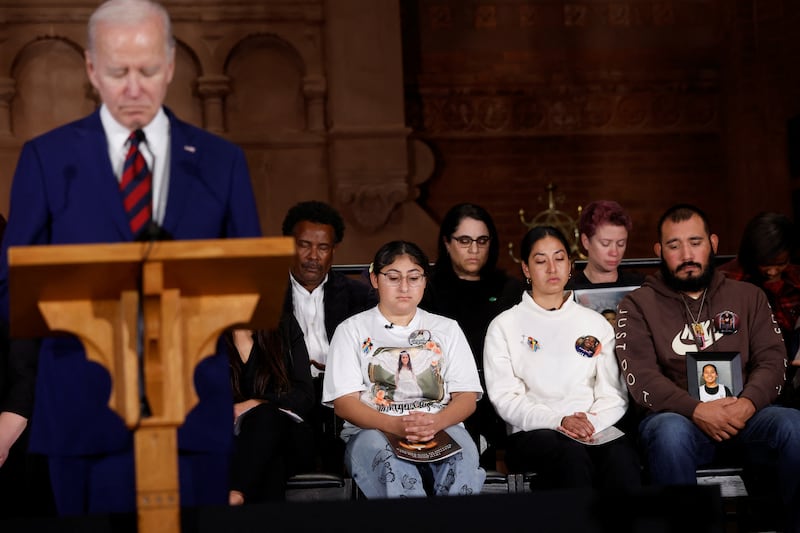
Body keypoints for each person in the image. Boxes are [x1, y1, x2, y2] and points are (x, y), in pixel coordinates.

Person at [0, 0, 261, 515]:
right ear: (93, 70)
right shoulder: (48, 160)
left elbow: (247, 282)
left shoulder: (220, 162)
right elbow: (12, 288)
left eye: (147, 70)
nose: (134, 87)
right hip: (82, 411)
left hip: (190, 415)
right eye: (118, 71)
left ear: (169, 66)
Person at [615, 204, 800, 531]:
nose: (687, 253)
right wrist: (697, 410)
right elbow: (640, 377)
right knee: (668, 432)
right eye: (674, 245)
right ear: (659, 251)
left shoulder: (749, 295)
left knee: (792, 424)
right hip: (680, 422)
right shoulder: (638, 304)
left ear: (713, 243)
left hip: (747, 416)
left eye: (695, 242)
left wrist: (747, 404)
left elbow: (773, 359)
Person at [322, 240, 485, 498]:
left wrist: (436, 422)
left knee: (462, 459)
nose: (405, 287)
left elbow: (466, 397)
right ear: (375, 279)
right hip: (373, 430)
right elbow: (345, 403)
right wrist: (394, 425)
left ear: (424, 280)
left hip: (441, 425)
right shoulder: (351, 330)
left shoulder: (447, 329)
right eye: (393, 277)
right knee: (396, 471)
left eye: (414, 277)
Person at [483, 226, 640, 491]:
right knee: (571, 459)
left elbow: (613, 392)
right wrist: (559, 421)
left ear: (570, 265)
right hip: (533, 432)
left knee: (623, 459)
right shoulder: (504, 325)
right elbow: (506, 399)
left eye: (559, 258)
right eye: (540, 261)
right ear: (525, 269)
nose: (552, 268)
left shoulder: (595, 322)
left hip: (595, 427)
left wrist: (591, 424)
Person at [421, 203, 522, 468]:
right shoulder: (427, 288)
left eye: (482, 240)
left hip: (497, 386)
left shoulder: (509, 289)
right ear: (447, 242)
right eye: (465, 240)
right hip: (442, 389)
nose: (474, 250)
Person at [280, 200, 375, 472]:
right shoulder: (268, 295)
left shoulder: (358, 296)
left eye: (322, 248)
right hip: (287, 391)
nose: (313, 256)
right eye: (304, 245)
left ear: (333, 251)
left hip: (341, 393)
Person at [225, 316, 315, 505]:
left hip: (288, 435)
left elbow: (305, 395)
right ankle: (238, 497)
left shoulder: (284, 325)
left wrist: (256, 402)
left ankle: (237, 493)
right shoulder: (206, 333)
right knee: (271, 461)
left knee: (266, 417)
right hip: (233, 439)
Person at [717, 212, 800, 405]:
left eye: (780, 264)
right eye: (765, 265)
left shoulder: (796, 277)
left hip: (792, 371)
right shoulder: (726, 280)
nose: (772, 271)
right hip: (747, 371)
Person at [567, 200, 645, 289]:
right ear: (586, 241)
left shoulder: (639, 288)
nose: (614, 253)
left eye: (621, 244)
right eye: (605, 244)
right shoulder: (569, 292)